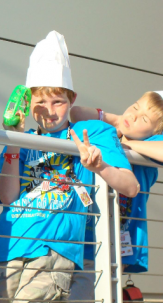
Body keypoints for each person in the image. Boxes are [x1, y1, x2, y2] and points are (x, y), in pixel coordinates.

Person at [0, 31, 139, 302]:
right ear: (27, 102)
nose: (49, 111)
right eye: (40, 102)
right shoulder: (20, 138)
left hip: (56, 247)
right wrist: (14, 140)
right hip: (7, 245)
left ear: (72, 99)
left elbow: (130, 186)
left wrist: (100, 166)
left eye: (58, 102)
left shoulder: (91, 131)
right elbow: (7, 198)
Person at [68, 91, 163, 299]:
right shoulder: (110, 134)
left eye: (144, 119)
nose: (134, 116)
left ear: (154, 131)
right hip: (85, 235)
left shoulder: (151, 145)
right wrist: (118, 120)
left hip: (117, 243)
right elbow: (75, 113)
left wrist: (127, 146)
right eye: (135, 107)